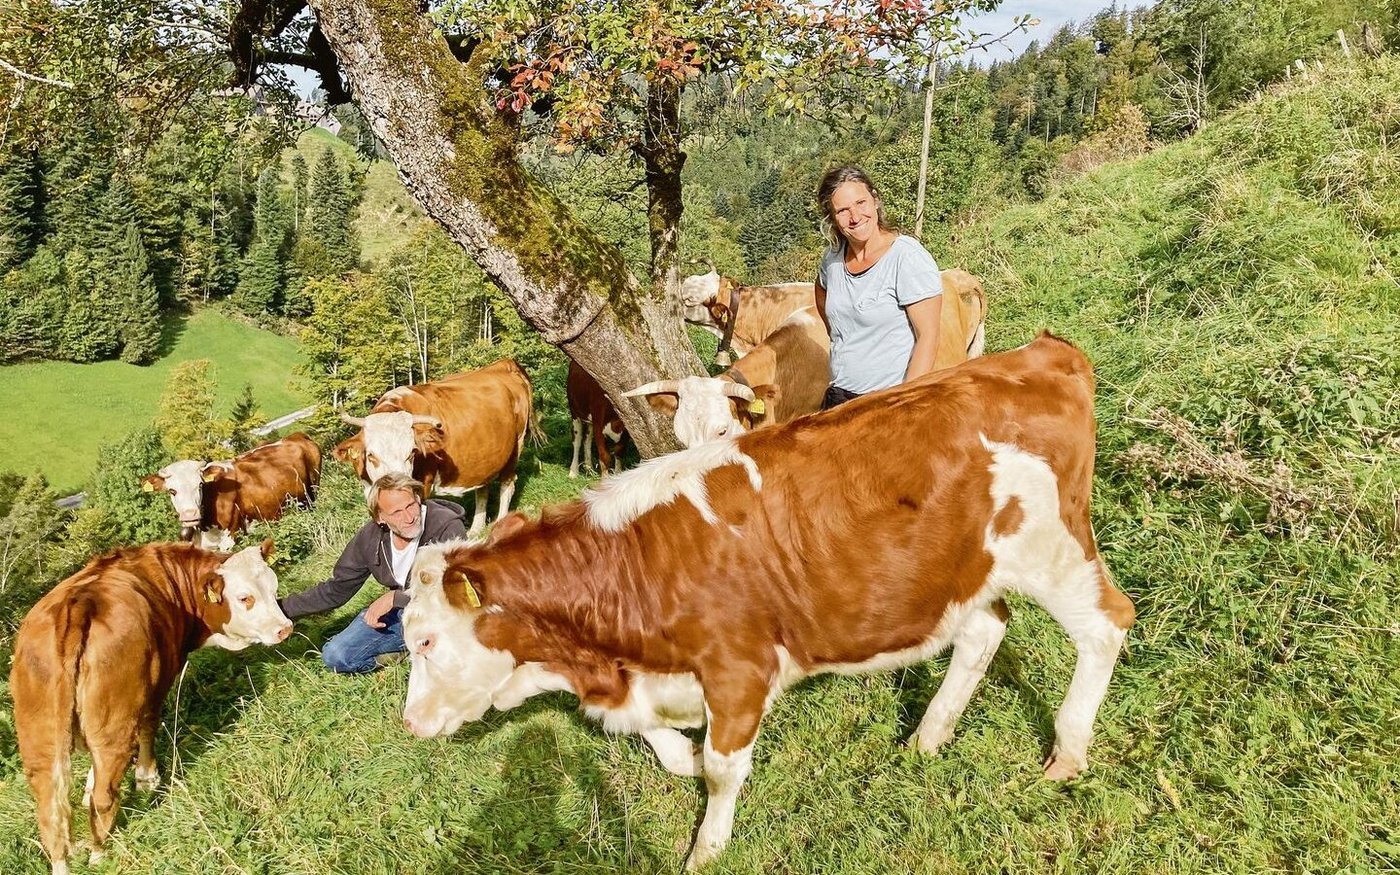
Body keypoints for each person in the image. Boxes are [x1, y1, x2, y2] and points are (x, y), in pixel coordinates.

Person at [278, 473, 466, 673]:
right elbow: (336, 588)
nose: (409, 517)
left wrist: (397, 597)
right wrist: (279, 609)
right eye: (396, 512)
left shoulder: (446, 526)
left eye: (411, 505)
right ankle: (400, 651)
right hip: (403, 613)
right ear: (380, 517)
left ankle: (425, 648)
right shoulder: (370, 538)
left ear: (418, 498)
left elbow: (456, 589)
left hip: (443, 614)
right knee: (336, 655)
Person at [813, 165, 945, 409]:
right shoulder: (832, 259)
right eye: (843, 210)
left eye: (861, 203)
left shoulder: (905, 257)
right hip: (839, 398)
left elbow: (928, 336)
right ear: (832, 217)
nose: (855, 217)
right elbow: (821, 290)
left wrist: (905, 402)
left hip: (888, 402)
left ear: (875, 200)